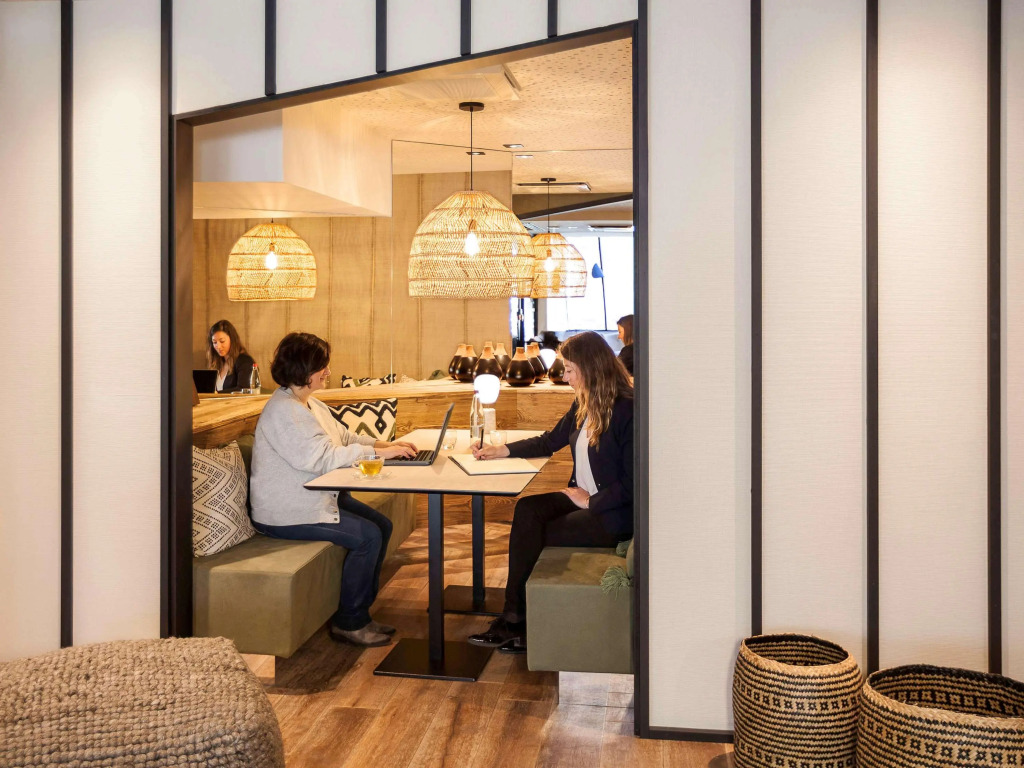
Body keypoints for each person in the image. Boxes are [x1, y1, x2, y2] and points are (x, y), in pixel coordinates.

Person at [467, 331, 633, 653]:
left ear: (591, 367)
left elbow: (634, 482)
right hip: (581, 497)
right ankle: (516, 621)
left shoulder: (627, 410)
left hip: (611, 513)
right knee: (527, 510)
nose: (566, 377)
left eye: (570, 369)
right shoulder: (584, 402)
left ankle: (516, 624)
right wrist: (500, 450)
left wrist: (591, 500)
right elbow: (549, 441)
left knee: (534, 533)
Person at [249, 332, 418, 647]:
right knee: (369, 536)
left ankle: (360, 613)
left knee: (382, 525)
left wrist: (386, 445)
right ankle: (349, 623)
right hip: (285, 511)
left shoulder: (309, 404)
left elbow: (346, 437)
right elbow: (322, 458)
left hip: (314, 498)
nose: (328, 371)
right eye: (322, 366)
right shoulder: (284, 412)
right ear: (303, 369)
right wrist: (379, 454)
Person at [207, 319, 256, 393]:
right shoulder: (218, 363)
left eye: (222, 341)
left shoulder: (244, 361)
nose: (218, 346)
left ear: (232, 339)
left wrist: (217, 394)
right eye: (214, 342)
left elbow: (243, 390)